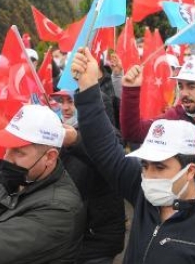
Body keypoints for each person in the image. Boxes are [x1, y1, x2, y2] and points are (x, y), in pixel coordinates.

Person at [70, 47, 195, 263]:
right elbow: (104, 147)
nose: (149, 177)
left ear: (189, 171)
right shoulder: (143, 194)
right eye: (145, 166)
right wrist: (88, 88)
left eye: (160, 167)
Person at [0, 105, 84, 263]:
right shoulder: (12, 178)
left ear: (50, 157)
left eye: (19, 152)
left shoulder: (59, 209)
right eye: (7, 148)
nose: (7, 158)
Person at [50, 90, 126, 264]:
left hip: (96, 239)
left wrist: (75, 140)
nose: (65, 108)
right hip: (69, 237)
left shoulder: (111, 137)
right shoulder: (60, 133)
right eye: (62, 101)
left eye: (72, 102)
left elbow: (107, 160)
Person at [120, 56, 195, 144]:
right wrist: (131, 90)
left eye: (191, 87)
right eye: (180, 86)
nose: (184, 93)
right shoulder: (174, 117)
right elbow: (133, 133)